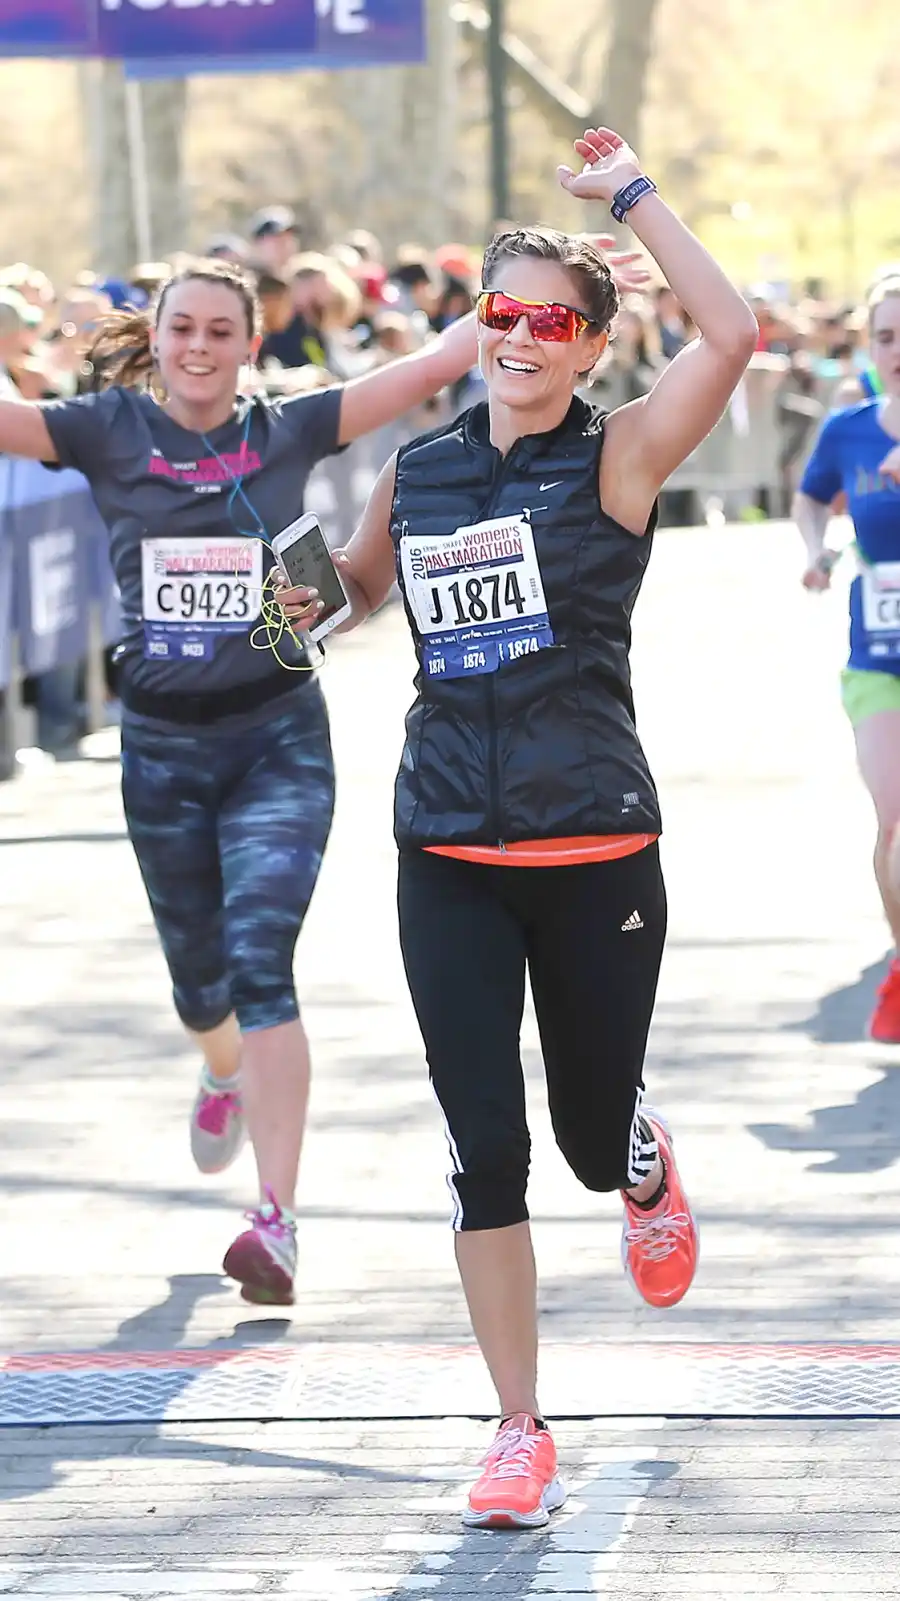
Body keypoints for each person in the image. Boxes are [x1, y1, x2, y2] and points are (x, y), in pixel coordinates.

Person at [275, 126, 758, 1527]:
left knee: (586, 1142)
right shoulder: (421, 473)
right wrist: (287, 608)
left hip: (595, 844)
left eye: (552, 319)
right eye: (503, 313)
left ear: (592, 346)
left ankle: (638, 1155)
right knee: (484, 1148)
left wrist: (632, 198)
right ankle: (518, 1427)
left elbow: (729, 331)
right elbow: (356, 590)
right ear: (478, 324)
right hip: (445, 849)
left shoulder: (617, 460)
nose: (522, 339)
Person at [0, 256, 479, 1304]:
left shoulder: (287, 430)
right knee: (200, 981)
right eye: (184, 331)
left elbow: (441, 362)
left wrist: (532, 296)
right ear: (159, 337)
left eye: (223, 331)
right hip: (160, 749)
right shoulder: (104, 430)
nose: (201, 349)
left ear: (249, 345)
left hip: (276, 737)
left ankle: (278, 1218)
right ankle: (221, 1063)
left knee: (263, 959)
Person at [794, 275, 900, 1041]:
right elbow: (810, 496)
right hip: (879, 658)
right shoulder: (851, 429)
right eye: (887, 338)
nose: (899, 352)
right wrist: (818, 548)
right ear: (869, 348)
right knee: (896, 823)